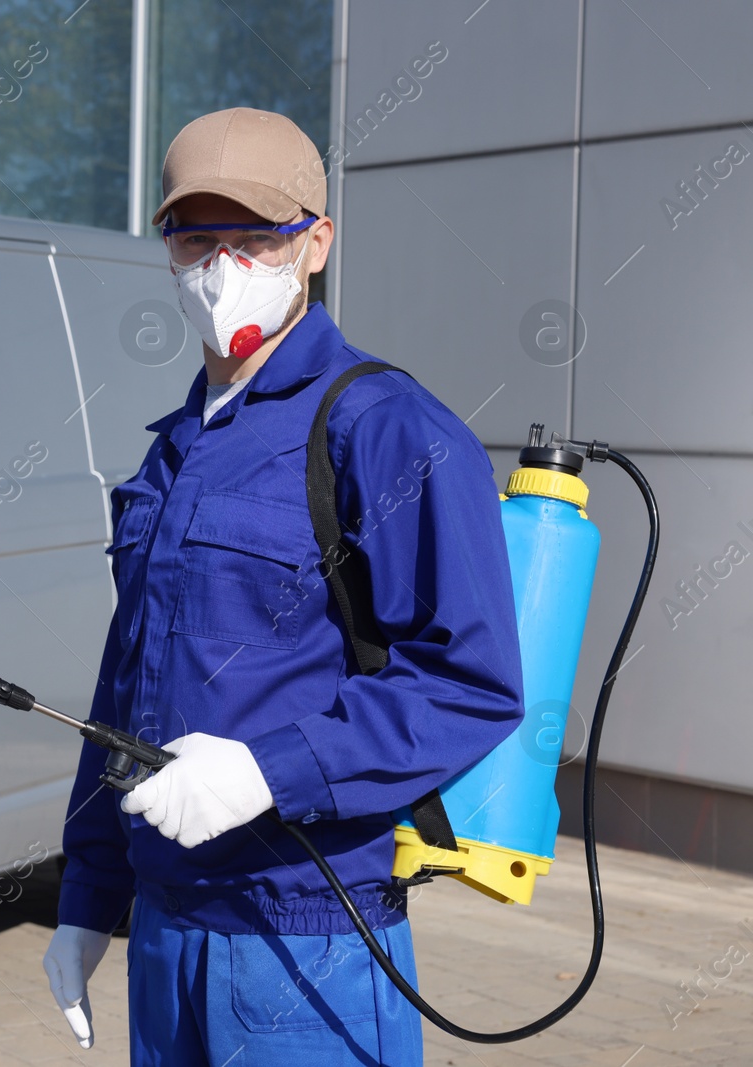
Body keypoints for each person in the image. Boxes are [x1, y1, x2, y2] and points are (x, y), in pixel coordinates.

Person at [41, 107, 526, 1065]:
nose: (222, 265)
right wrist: (89, 896)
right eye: (195, 236)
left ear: (316, 242)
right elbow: (126, 686)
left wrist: (269, 771)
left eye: (256, 236)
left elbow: (471, 682)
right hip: (165, 933)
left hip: (306, 946)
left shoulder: (387, 430)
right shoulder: (179, 445)